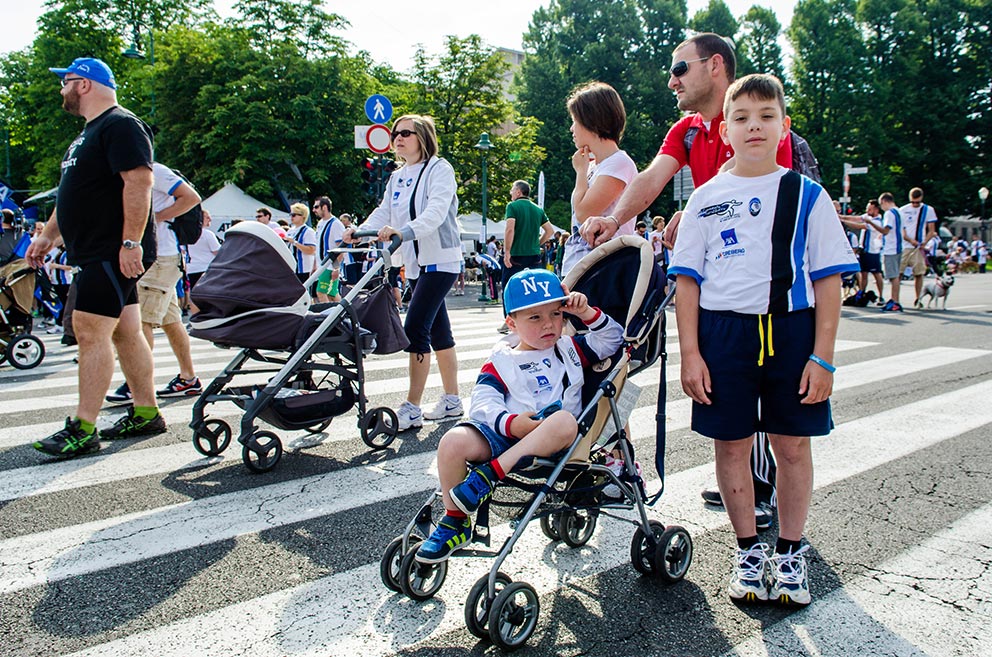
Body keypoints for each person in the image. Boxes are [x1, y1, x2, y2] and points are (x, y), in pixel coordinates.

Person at [582, 34, 824, 527]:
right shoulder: (688, 131)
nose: (671, 80)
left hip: (778, 296)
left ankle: (763, 492)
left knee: (777, 408)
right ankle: (752, 485)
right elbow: (652, 178)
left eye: (679, 68)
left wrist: (693, 211)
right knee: (728, 389)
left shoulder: (767, 130)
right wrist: (616, 217)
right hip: (719, 287)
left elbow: (785, 203)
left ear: (715, 66)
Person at [670, 74, 857, 606]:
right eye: (742, 118)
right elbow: (688, 280)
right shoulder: (705, 199)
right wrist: (691, 353)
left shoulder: (807, 195)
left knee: (791, 446)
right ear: (724, 131)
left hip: (792, 333)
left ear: (783, 126)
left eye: (766, 116)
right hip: (723, 334)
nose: (754, 126)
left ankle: (791, 553)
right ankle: (748, 551)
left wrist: (823, 357)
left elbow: (827, 281)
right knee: (729, 445)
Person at [414, 269, 624, 563]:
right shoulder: (503, 357)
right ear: (511, 322)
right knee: (452, 442)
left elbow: (615, 340)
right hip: (506, 434)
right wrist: (511, 424)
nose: (549, 324)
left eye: (555, 314)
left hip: (556, 442)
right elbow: (484, 402)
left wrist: (586, 312)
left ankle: (491, 474)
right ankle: (455, 522)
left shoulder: (571, 348)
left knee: (564, 421)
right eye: (534, 318)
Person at [28, 57, 165, 458]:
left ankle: (84, 427)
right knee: (125, 331)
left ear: (83, 84)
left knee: (89, 329)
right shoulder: (85, 136)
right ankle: (146, 411)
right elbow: (72, 194)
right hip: (99, 248)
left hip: (110, 248)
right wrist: (48, 236)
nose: (61, 90)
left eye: (64, 82)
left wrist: (129, 243)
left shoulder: (120, 124)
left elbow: (139, 182)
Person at [343, 114, 464, 430]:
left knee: (415, 329)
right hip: (414, 262)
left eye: (405, 133)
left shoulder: (441, 169)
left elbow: (435, 213)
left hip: (441, 260)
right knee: (439, 332)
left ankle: (412, 406)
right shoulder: (397, 177)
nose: (397, 137)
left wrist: (402, 231)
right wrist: (358, 230)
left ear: (422, 136)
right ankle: (452, 399)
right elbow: (384, 211)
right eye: (395, 133)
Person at [105, 162, 203, 403]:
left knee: (140, 321)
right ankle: (188, 379)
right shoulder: (128, 172)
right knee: (171, 321)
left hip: (160, 256)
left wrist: (153, 219)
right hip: (161, 256)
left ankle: (135, 385)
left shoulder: (153, 170)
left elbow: (191, 197)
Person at [559, 81, 638, 276]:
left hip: (606, 267)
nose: (571, 129)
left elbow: (583, 213)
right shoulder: (597, 166)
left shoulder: (618, 163)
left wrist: (580, 172)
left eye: (574, 120)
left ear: (591, 121)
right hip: (587, 264)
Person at [899, 188, 938, 308]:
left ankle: (918, 298)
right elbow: (902, 230)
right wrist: (910, 240)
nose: (915, 205)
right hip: (905, 245)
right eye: (913, 202)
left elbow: (932, 230)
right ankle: (895, 298)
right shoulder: (903, 210)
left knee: (919, 273)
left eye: (917, 202)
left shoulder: (928, 210)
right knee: (898, 273)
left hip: (919, 246)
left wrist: (924, 242)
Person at [185, 209, 221, 315]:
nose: (210, 219)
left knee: (195, 295)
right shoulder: (207, 234)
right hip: (207, 269)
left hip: (192, 268)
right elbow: (217, 252)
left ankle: (195, 318)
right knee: (210, 295)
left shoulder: (188, 233)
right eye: (207, 217)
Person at [873, 192, 904, 312]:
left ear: (885, 202)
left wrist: (871, 223)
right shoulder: (899, 211)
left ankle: (895, 301)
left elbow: (886, 230)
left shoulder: (889, 213)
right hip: (897, 246)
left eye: (881, 204)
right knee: (894, 275)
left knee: (893, 276)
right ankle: (894, 299)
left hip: (891, 247)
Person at [312, 196, 344, 303]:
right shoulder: (320, 223)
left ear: (324, 207)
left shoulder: (335, 223)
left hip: (330, 265)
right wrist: (315, 266)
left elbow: (341, 248)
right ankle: (341, 314)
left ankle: (328, 316)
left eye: (316, 207)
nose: (314, 210)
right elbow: (318, 246)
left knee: (321, 292)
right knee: (332, 294)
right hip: (322, 265)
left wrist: (336, 268)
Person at [284, 203, 316, 284]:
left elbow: (311, 250)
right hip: (291, 269)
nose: (291, 217)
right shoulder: (290, 231)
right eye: (291, 214)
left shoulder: (308, 231)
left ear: (303, 216)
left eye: (294, 215)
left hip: (304, 269)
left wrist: (295, 243)